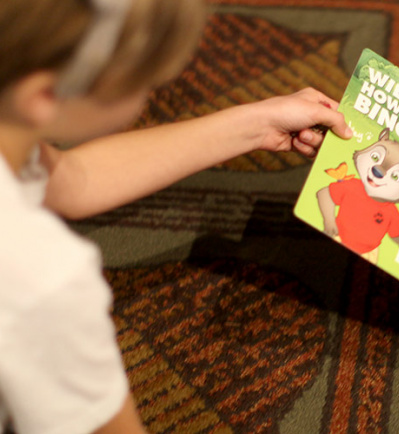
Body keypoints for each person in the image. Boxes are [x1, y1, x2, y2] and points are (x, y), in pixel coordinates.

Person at [0, 0, 352, 432]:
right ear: (45, 95)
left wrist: (257, 123)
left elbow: (71, 182)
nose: (151, 93)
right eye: (144, 82)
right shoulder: (41, 279)